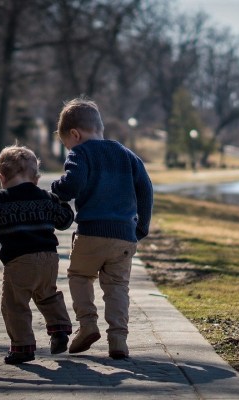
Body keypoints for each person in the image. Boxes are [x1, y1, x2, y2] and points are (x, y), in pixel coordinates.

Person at [51, 97, 153, 359]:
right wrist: (141, 227)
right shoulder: (127, 155)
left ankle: (87, 324)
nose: (69, 149)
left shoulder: (80, 153)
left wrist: (57, 189)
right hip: (124, 236)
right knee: (117, 286)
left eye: (67, 144)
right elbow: (146, 189)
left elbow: (72, 184)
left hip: (91, 233)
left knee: (79, 276)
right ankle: (118, 339)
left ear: (75, 134)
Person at [0, 145, 74, 364]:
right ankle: (59, 329)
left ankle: (22, 347)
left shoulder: (0, 199)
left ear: (1, 177)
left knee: (14, 304)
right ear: (36, 179)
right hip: (49, 259)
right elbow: (65, 221)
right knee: (47, 294)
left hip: (19, 260)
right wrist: (63, 202)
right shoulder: (47, 197)